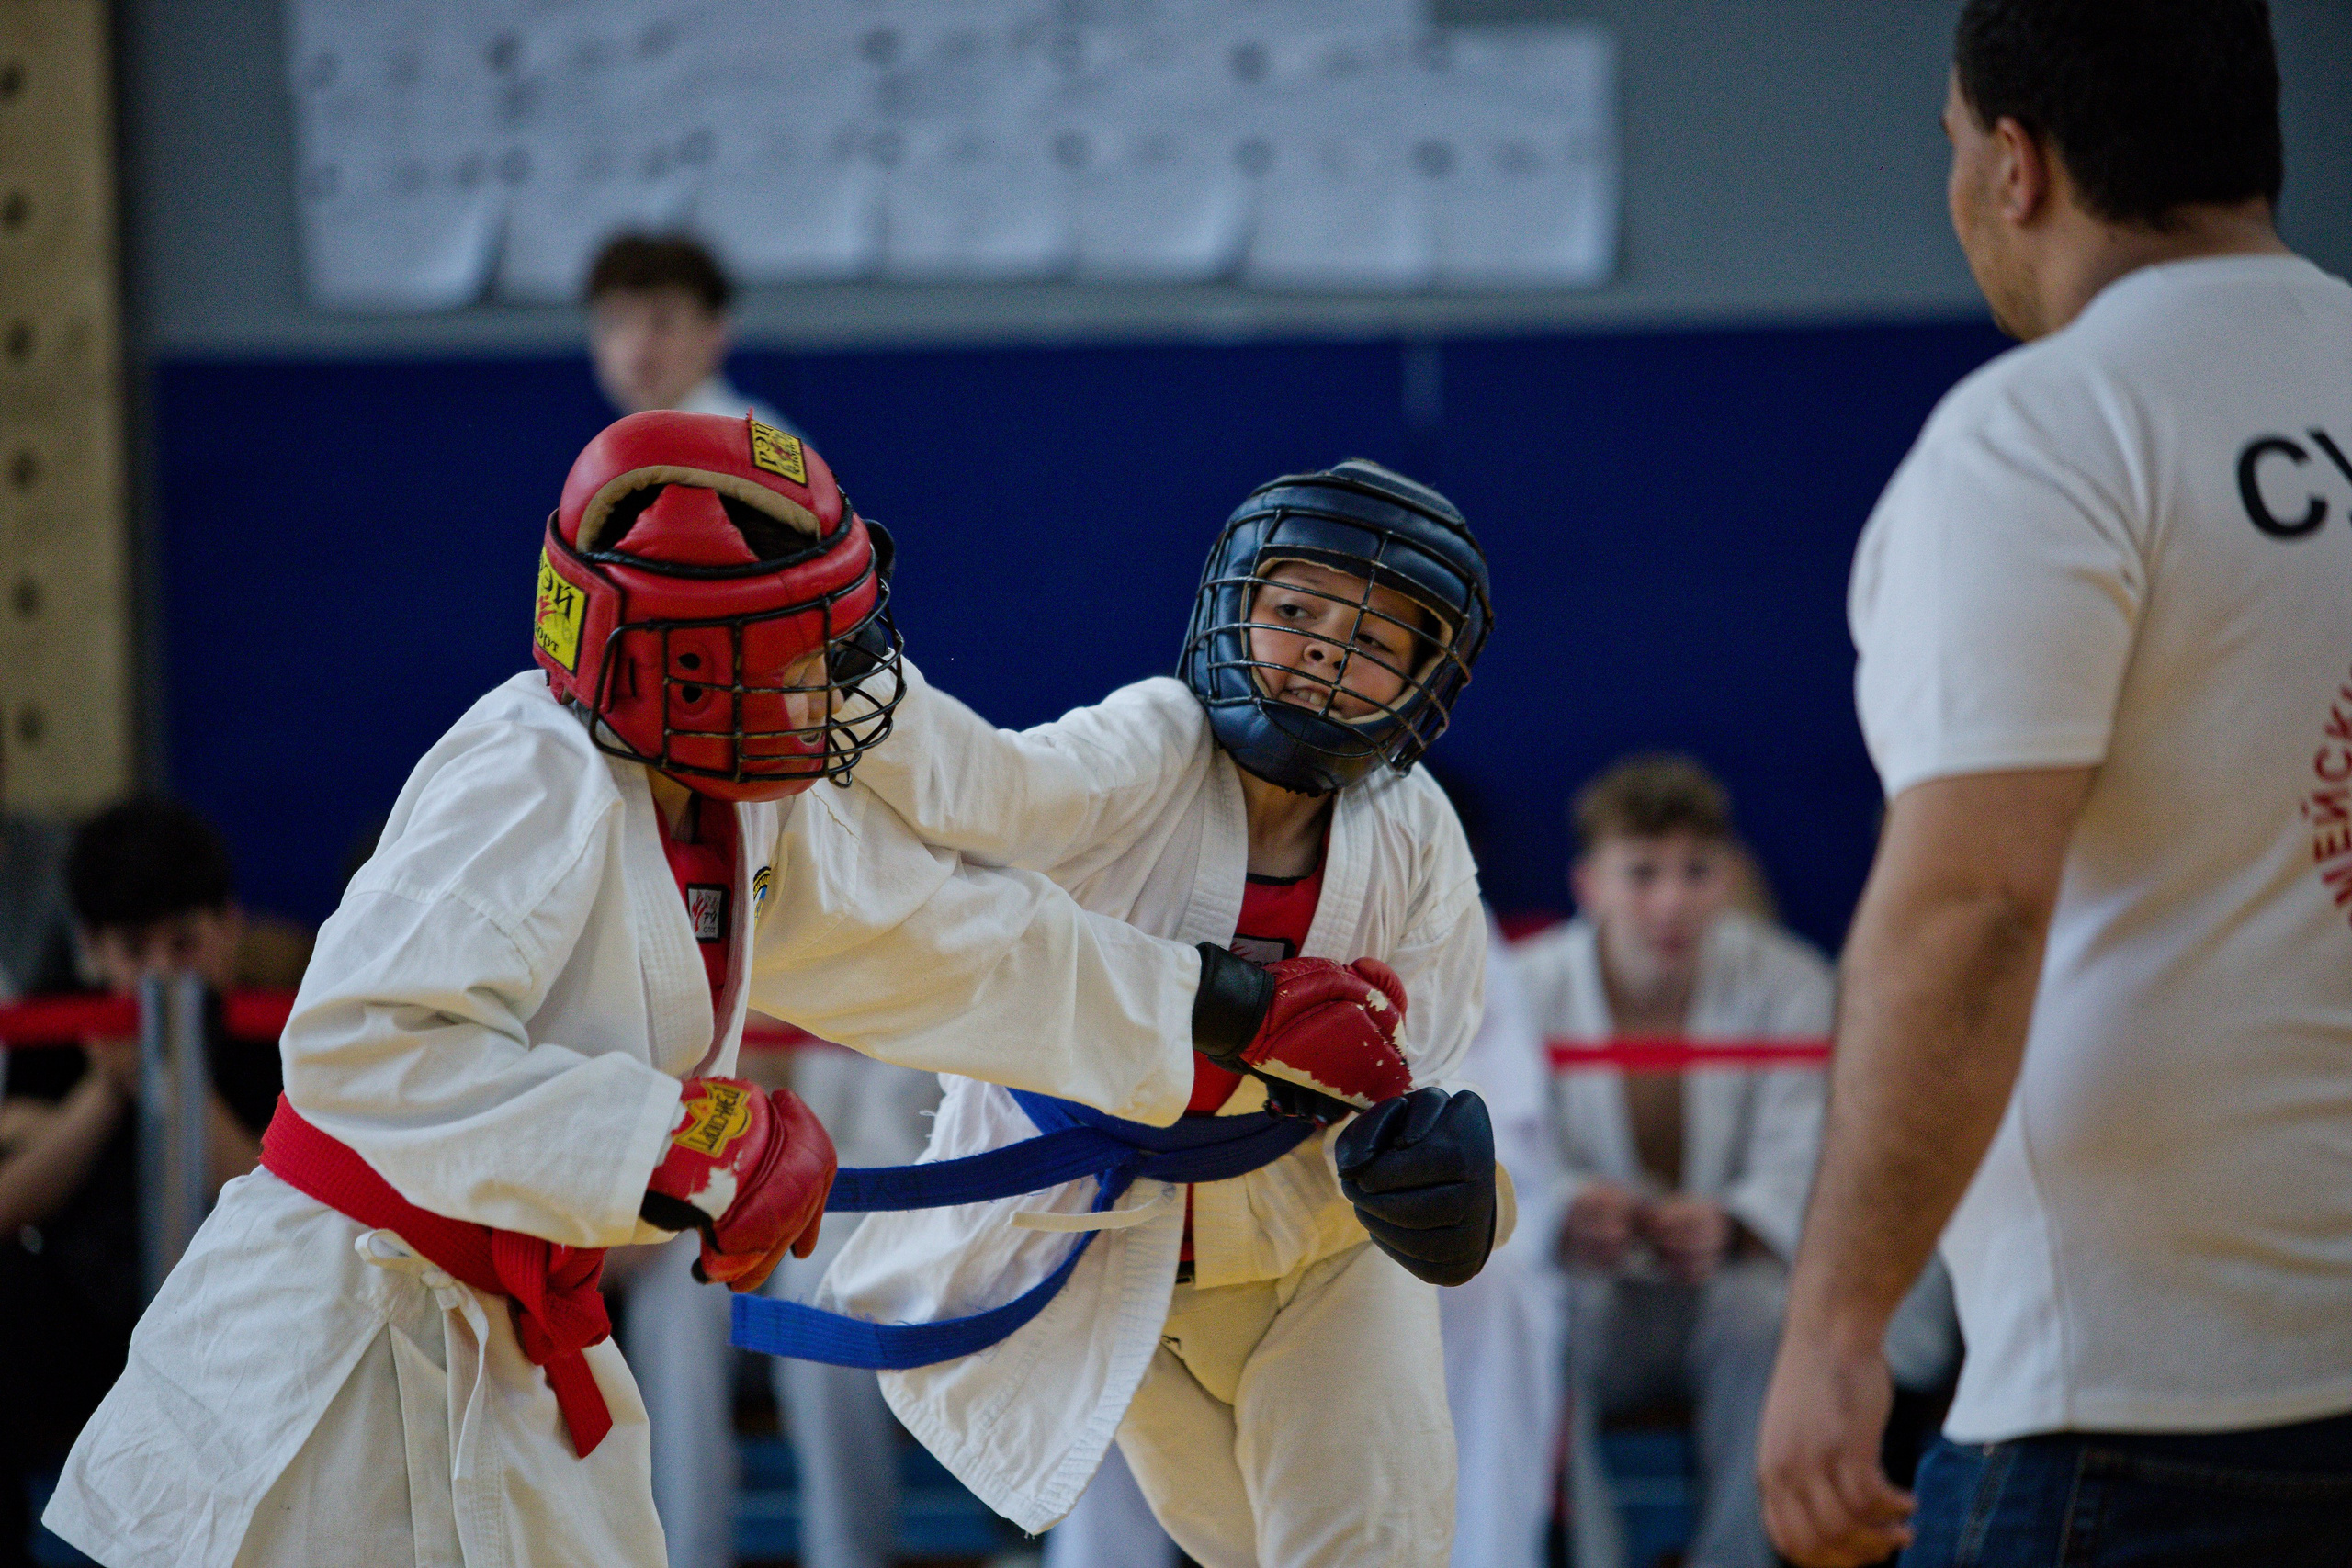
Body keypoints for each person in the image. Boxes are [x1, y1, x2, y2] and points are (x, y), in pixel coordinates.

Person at [40, 412, 1405, 1568]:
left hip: (507, 1352)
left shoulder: (734, 795)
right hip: (331, 1349)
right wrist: (686, 1137)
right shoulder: (533, 775)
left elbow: (949, 940)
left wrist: (1220, 1008)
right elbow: (359, 1048)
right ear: (687, 666)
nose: (845, 684)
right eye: (803, 653)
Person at [1757, 4, 2352, 1563]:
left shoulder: (2045, 436)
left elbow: (1970, 908)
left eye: (1953, 145)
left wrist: (1836, 1325)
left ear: (2016, 163)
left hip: (2144, 1424)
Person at [815, 459, 1502, 1567]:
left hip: (1323, 1251)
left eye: (1374, 639)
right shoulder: (1157, 737)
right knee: (1234, 1549)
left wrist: (1464, 1191)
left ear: (1427, 680)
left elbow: (1427, 1078)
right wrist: (845, 664)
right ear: (1232, 607)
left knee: (1366, 1549)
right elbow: (990, 788)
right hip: (1117, 1257)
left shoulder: (1415, 828)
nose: (1326, 646)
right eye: (1295, 610)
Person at [1511, 754, 1831, 1568]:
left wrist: (1734, 1221)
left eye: (1696, 871)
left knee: (1765, 1312)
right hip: (1599, 1298)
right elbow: (1503, 1149)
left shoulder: (1792, 981)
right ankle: (1590, 1554)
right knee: (1542, 1312)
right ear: (1590, 882)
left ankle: (1737, 1557)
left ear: (1726, 878)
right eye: (1642, 872)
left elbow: (1813, 1148)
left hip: (1727, 1289)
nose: (1670, 901)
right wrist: (1569, 1207)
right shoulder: (1522, 988)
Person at [0, 797, 280, 1567]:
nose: (160, 973)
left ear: (228, 929)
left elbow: (280, 1206)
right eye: (132, 949)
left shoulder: (267, 1038)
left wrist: (180, 1081)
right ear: (89, 946)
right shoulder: (57, 1031)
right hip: (75, 1393)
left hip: (240, 1384)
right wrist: (102, 1094)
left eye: (183, 945)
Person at [587, 232, 780, 426]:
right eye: (615, 322)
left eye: (662, 322)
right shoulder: (618, 447)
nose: (637, 346)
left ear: (715, 331)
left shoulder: (752, 444)